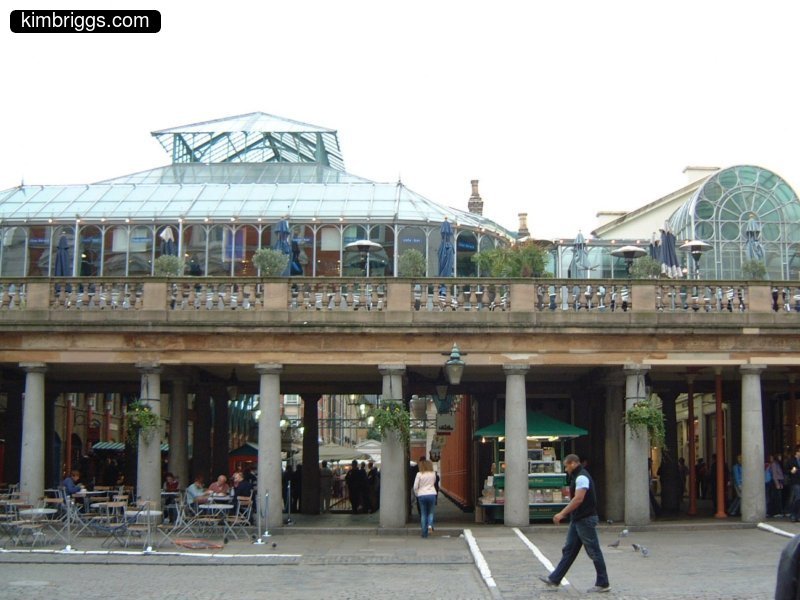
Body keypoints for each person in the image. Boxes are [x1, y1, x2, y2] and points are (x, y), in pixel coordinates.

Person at [538, 454, 610, 594]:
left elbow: (578, 499)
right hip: (578, 519)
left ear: (573, 464)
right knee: (569, 550)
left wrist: (562, 513)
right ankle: (555, 579)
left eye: (566, 466)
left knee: (594, 551)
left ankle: (603, 583)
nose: (566, 469)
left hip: (585, 519)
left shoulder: (582, 477)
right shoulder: (578, 476)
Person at [413, 458, 438, 538]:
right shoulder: (433, 474)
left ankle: (424, 533)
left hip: (422, 495)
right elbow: (433, 483)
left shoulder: (419, 474)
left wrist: (417, 493)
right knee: (430, 512)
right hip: (432, 494)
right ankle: (430, 525)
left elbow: (415, 486)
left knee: (423, 514)